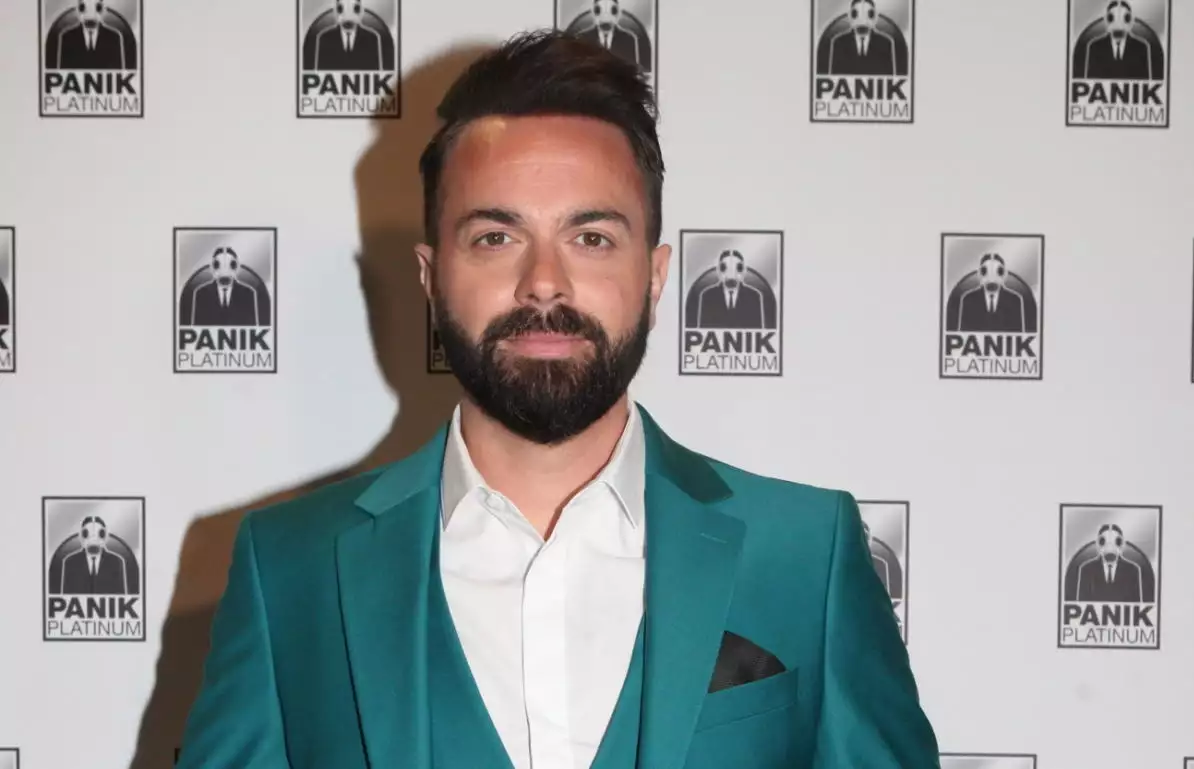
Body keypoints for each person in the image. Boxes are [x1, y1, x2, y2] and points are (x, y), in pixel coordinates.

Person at [176, 28, 940, 769]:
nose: (544, 282)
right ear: (430, 276)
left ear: (656, 274)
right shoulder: (290, 570)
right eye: (496, 237)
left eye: (591, 238)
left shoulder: (805, 554)